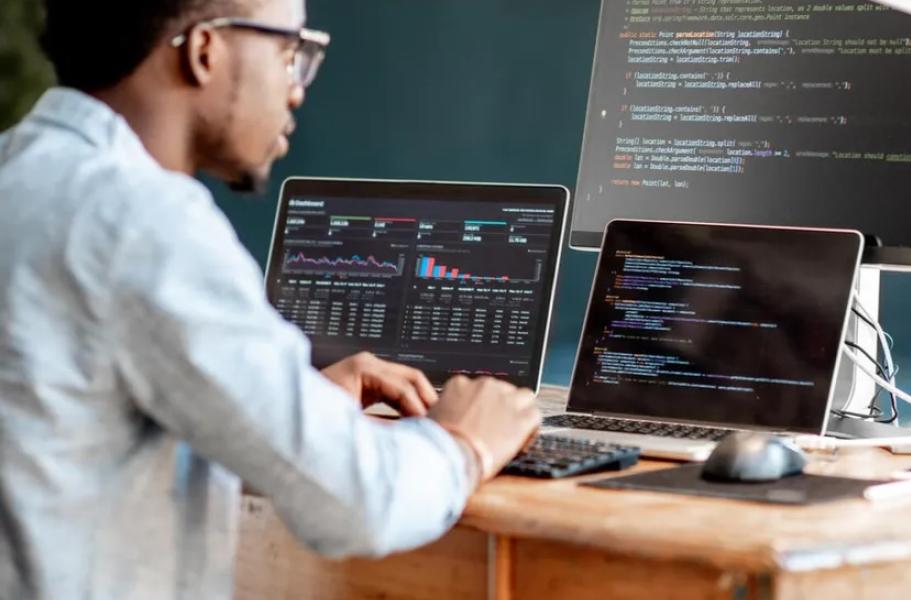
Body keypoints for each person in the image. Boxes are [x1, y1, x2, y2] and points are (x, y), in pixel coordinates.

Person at [0, 0, 541, 597]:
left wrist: (291, 408)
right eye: (291, 52)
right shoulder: (143, 220)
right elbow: (361, 503)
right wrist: (464, 442)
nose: (297, 90)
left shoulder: (19, 173)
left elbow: (68, 428)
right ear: (205, 52)